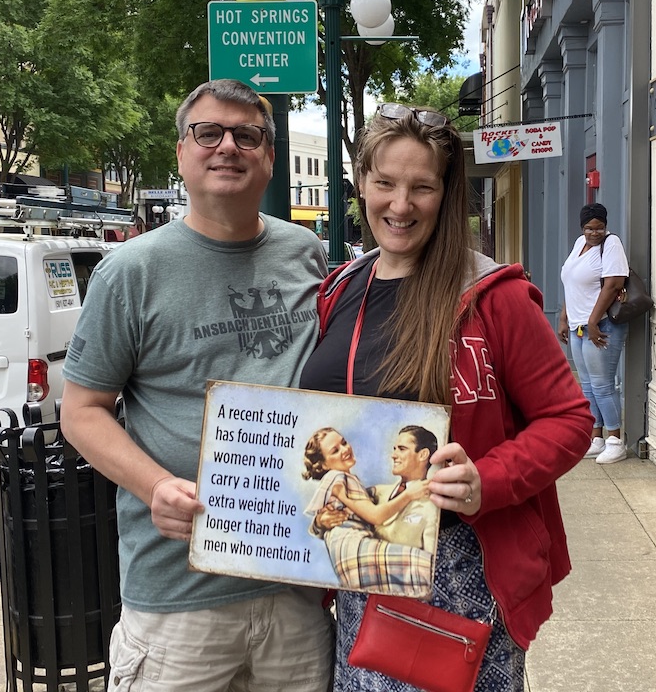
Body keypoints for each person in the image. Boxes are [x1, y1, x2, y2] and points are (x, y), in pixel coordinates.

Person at [299, 102, 594, 691]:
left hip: (461, 575)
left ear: (446, 193)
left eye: (421, 187)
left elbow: (569, 419)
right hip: (364, 574)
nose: (400, 205)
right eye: (384, 183)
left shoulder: (495, 296)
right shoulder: (339, 290)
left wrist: (490, 478)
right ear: (361, 183)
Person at [60, 79, 333, 692]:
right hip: (177, 594)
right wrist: (154, 486)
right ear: (181, 152)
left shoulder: (306, 252)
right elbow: (80, 410)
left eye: (247, 135)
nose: (227, 146)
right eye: (207, 133)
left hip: (297, 581)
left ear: (270, 156)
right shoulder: (129, 272)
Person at [302, 426, 433, 596]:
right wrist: (408, 495)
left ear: (423, 454)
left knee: (425, 569)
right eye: (335, 450)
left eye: (344, 442)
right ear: (324, 464)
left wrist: (319, 522)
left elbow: (358, 504)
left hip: (351, 563)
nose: (345, 449)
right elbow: (375, 515)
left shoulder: (355, 485)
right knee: (425, 565)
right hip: (356, 552)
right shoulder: (338, 479)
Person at [557, 203, 631, 464]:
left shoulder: (611, 245)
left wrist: (592, 321)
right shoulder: (579, 244)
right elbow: (572, 281)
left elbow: (613, 285)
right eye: (589, 228)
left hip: (601, 326)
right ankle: (596, 438)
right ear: (582, 227)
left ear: (605, 226)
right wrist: (564, 316)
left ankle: (615, 440)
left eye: (599, 227)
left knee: (602, 385)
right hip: (579, 326)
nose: (594, 232)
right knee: (587, 385)